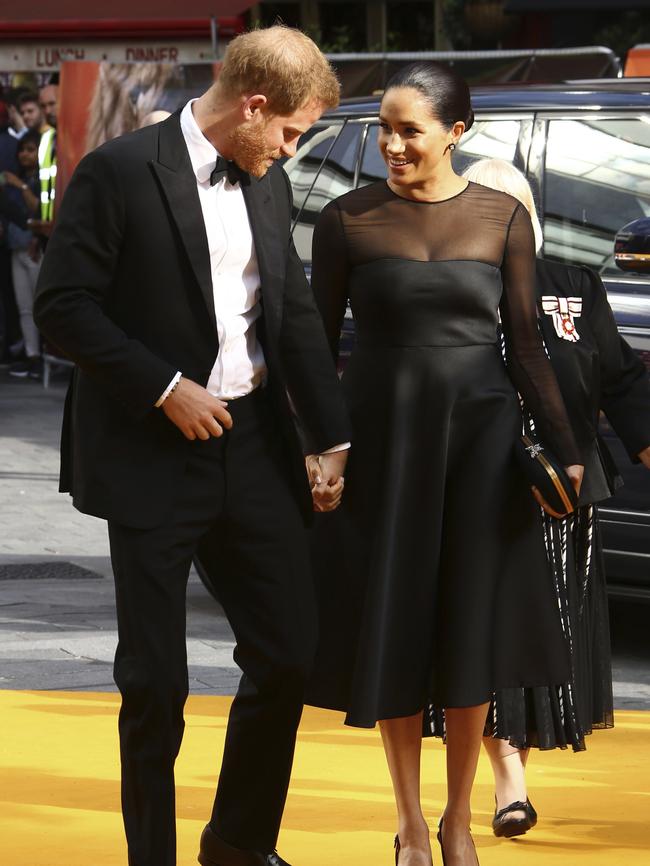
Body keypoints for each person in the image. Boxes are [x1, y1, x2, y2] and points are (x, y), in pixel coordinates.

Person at [33, 26, 350, 866]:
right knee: (156, 686)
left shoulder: (267, 184)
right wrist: (163, 388)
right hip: (150, 450)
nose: (290, 151)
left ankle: (238, 848)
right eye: (288, 133)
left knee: (287, 653)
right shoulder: (118, 171)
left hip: (252, 448)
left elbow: (290, 317)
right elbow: (62, 308)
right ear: (253, 106)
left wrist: (332, 436)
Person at [306, 62, 583, 866]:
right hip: (384, 444)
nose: (391, 144)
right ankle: (407, 822)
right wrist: (319, 448)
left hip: (481, 450)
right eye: (383, 130)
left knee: (469, 631)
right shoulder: (347, 220)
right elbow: (316, 350)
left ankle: (460, 819)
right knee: (393, 626)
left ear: (456, 132)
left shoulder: (501, 218)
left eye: (408, 130)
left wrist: (566, 457)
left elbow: (525, 345)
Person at [452, 157, 650, 839]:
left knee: (545, 639)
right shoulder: (450, 291)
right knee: (485, 633)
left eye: (512, 208)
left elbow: (621, 382)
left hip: (564, 495)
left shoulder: (574, 286)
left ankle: (514, 771)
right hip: (476, 489)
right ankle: (507, 779)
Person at [0, 130, 42, 377]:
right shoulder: (12, 180)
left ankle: (41, 356)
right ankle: (32, 355)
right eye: (22, 150)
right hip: (17, 246)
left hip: (34, 247)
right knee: (24, 307)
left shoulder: (38, 178)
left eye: (30, 149)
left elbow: (37, 211)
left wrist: (22, 185)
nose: (25, 155)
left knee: (39, 305)